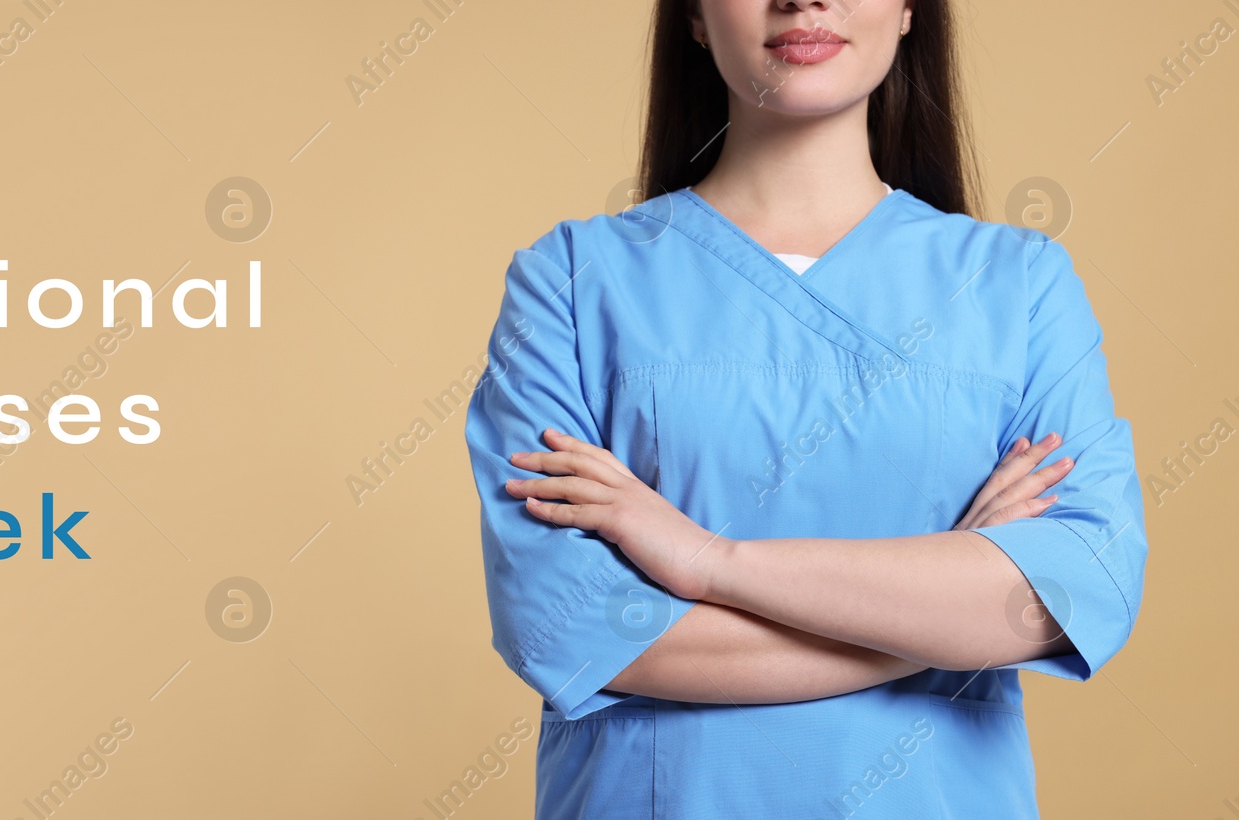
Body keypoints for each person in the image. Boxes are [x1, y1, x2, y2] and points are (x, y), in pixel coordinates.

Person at [461, 0, 1150, 816]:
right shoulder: (572, 283)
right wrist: (937, 611)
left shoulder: (1019, 286)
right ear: (690, 14)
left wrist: (710, 562)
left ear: (907, 11)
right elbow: (567, 628)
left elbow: (1072, 590)